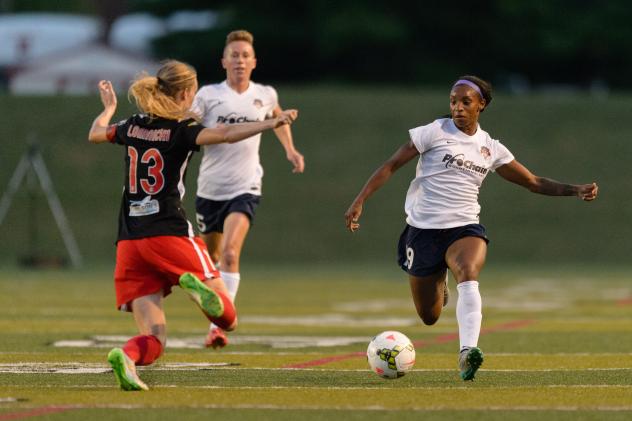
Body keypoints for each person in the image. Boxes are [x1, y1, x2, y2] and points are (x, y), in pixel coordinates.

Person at [344, 75, 598, 381]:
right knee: (429, 316)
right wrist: (360, 200)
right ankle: (440, 281)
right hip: (422, 231)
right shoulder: (434, 132)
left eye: (466, 101)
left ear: (482, 105)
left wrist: (576, 189)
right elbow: (390, 165)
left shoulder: (490, 148)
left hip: (464, 227)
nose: (458, 107)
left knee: (468, 270)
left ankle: (467, 353)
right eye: (453, 101)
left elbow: (533, 182)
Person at [87, 60, 298, 391]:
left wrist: (109, 108)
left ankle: (127, 357)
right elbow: (227, 135)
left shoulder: (132, 125)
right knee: (229, 319)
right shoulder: (181, 129)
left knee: (154, 337)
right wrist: (270, 123)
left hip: (129, 242)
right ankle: (200, 294)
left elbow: (96, 133)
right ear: (186, 93)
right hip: (168, 233)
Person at [193, 30, 305, 349]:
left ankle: (219, 327)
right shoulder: (207, 95)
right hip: (210, 189)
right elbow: (189, 128)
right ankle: (217, 314)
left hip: (245, 186)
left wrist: (290, 150)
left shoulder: (265, 93)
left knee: (230, 253)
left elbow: (278, 119)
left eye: (245, 55)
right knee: (212, 258)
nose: (240, 60)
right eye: (234, 55)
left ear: (254, 62)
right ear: (224, 61)